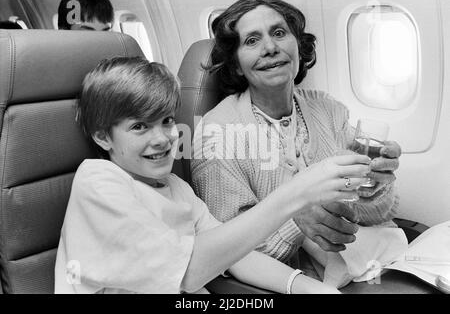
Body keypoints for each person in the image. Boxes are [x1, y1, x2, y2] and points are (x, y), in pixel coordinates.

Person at [54, 56, 370, 293]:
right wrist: (296, 193)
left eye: (165, 120)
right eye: (139, 126)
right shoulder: (97, 181)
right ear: (103, 137)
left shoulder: (174, 187)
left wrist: (313, 289)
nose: (163, 138)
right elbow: (187, 270)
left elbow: (236, 256)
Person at [191, 0, 402, 278]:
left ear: (298, 47)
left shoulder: (328, 109)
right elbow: (229, 253)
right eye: (252, 41)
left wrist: (376, 186)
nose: (270, 48)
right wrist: (296, 222)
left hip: (366, 261)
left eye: (279, 33)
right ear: (237, 65)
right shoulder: (217, 133)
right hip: (298, 281)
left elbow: (369, 208)